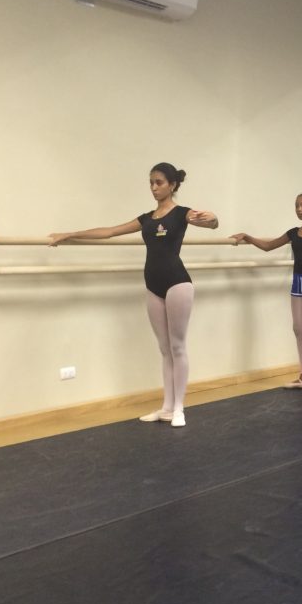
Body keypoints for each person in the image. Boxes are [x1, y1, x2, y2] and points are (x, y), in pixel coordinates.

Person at [49, 163, 218, 428]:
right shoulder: (146, 219)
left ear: (172, 185)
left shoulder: (183, 213)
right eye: (151, 182)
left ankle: (179, 409)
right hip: (153, 285)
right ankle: (166, 407)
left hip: (178, 283)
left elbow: (212, 224)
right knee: (164, 349)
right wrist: (69, 234)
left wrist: (212, 218)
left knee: (177, 346)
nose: (154, 187)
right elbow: (110, 231)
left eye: (159, 182)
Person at [231, 193, 302, 393]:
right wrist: (248, 236)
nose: (299, 209)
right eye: (297, 206)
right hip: (298, 283)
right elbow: (268, 246)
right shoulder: (292, 233)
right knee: (298, 329)